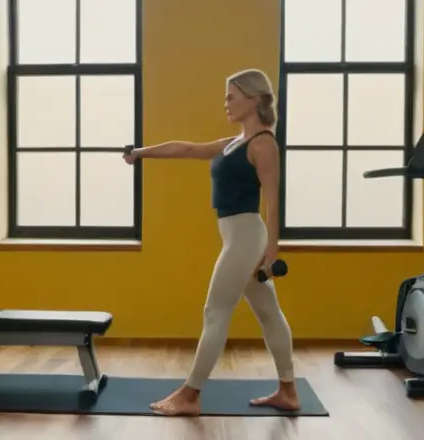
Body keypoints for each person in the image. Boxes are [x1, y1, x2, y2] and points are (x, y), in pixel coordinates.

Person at [121, 68, 299, 416]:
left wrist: (271, 252)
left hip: (246, 238)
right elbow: (185, 148)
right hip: (239, 236)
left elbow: (274, 201)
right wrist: (140, 153)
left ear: (254, 98)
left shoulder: (263, 144)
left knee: (215, 312)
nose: (226, 103)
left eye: (232, 96)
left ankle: (190, 395)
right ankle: (288, 392)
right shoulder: (232, 144)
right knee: (268, 313)